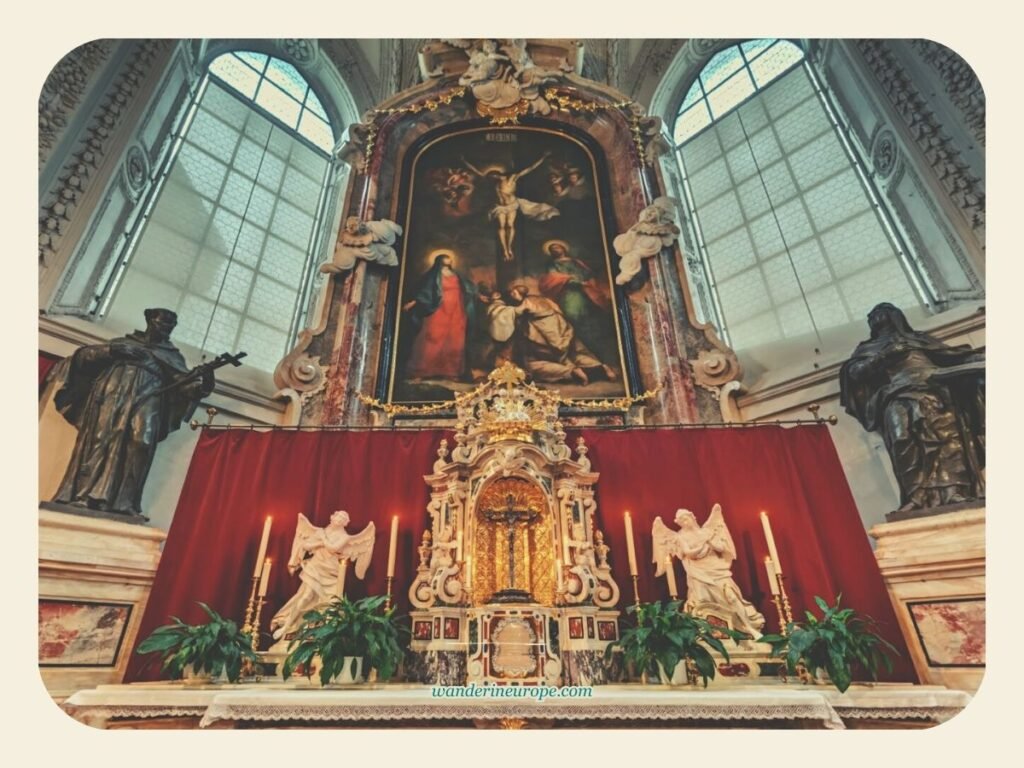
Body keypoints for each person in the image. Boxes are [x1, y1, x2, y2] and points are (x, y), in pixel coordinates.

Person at [50, 308, 214, 519]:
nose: (166, 328)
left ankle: (124, 503)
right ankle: (82, 496)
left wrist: (205, 385)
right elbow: (82, 357)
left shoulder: (171, 355)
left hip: (148, 397)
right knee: (101, 439)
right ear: (149, 320)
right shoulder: (124, 343)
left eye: (170, 325)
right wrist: (113, 352)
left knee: (141, 442)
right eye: (162, 323)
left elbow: (184, 387)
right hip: (113, 394)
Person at [840, 302, 985, 511]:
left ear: (896, 315)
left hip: (934, 389)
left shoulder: (920, 339)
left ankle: (955, 491)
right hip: (897, 393)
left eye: (883, 311)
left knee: (947, 438)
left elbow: (952, 356)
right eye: (873, 315)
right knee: (903, 440)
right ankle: (916, 497)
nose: (876, 316)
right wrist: (884, 356)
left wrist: (978, 360)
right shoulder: (867, 348)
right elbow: (855, 373)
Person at [652, 505, 765, 641]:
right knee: (702, 603)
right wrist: (702, 545)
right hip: (698, 573)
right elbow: (689, 553)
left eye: (686, 518)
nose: (685, 522)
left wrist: (710, 541)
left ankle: (748, 627)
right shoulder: (681, 537)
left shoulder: (707, 531)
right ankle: (706, 636)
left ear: (692, 516)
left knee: (732, 598)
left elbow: (722, 547)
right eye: (681, 521)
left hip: (717, 569)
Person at [268, 510, 376, 648]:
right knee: (305, 596)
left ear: (346, 523)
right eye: (338, 516)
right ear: (332, 517)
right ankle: (287, 627)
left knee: (331, 604)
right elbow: (306, 545)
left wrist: (322, 539)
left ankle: (325, 636)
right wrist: (322, 541)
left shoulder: (345, 537)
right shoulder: (319, 532)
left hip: (331, 573)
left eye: (343, 518)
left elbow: (333, 548)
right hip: (315, 567)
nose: (339, 519)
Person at [486, 282, 614, 385]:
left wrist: (496, 304)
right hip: (562, 325)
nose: (512, 295)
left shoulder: (526, 303)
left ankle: (574, 371)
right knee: (573, 353)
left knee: (554, 356)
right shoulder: (540, 299)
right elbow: (556, 308)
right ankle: (601, 367)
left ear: (521, 294)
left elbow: (516, 312)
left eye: (514, 293)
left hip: (549, 330)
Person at [462, 153, 560, 261]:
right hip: (499, 206)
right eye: (491, 177)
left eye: (492, 175)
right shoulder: (494, 182)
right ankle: (505, 250)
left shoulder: (512, 178)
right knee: (502, 227)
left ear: (497, 174)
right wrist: (464, 162)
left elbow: (530, 168)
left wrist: (543, 157)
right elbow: (476, 171)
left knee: (510, 225)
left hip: (512, 205)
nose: (491, 178)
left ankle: (510, 248)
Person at [537, 239, 618, 367]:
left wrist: (588, 284)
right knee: (575, 320)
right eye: (552, 249)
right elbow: (554, 279)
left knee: (593, 322)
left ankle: (601, 357)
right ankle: (582, 358)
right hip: (569, 295)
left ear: (564, 249)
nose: (556, 250)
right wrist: (576, 282)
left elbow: (588, 274)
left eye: (558, 247)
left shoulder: (576, 262)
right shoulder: (552, 265)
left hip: (587, 294)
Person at [402, 252, 478, 380]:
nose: (449, 260)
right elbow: (425, 291)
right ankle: (421, 371)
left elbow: (468, 289)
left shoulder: (457, 275)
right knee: (431, 338)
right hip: (438, 311)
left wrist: (479, 296)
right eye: (446, 258)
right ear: (439, 261)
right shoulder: (433, 276)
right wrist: (413, 303)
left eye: (450, 259)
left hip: (457, 311)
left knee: (454, 340)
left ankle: (451, 372)